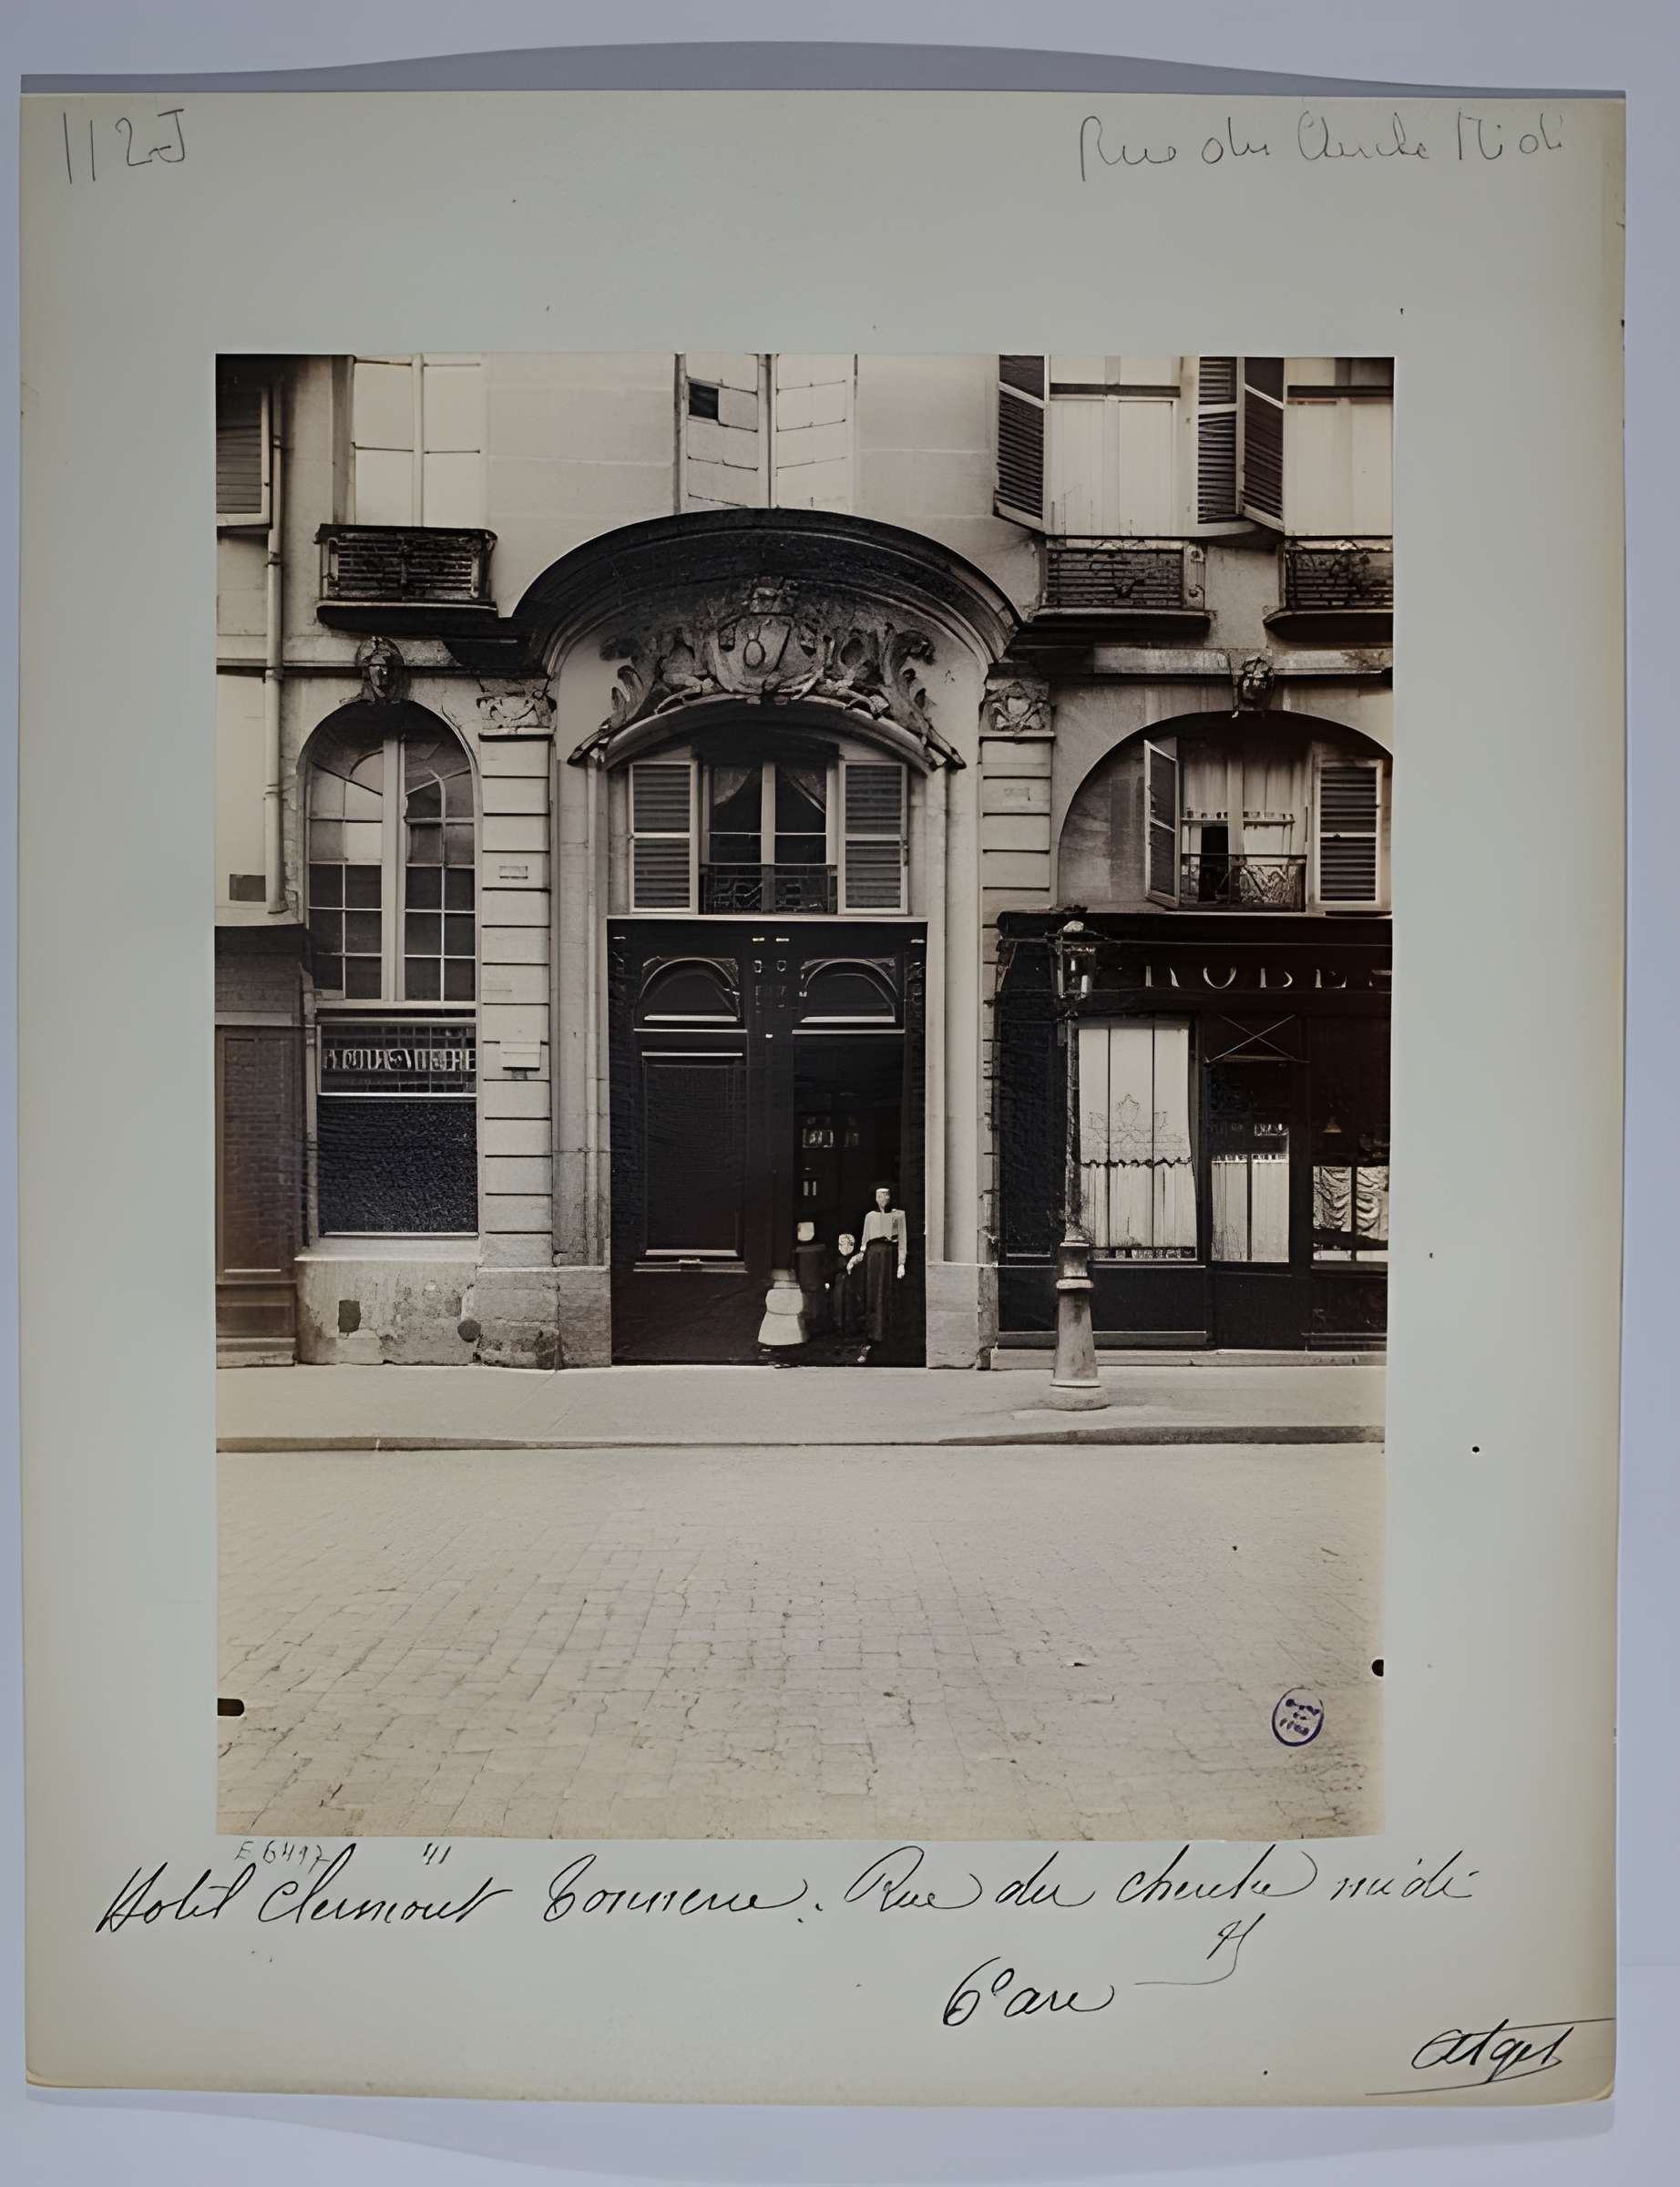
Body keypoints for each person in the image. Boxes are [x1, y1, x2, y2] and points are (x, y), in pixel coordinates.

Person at [853, 1183, 908, 1363]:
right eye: (879, 1195)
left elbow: (903, 1240)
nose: (883, 1199)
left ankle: (888, 1335)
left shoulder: (899, 1215)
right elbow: (864, 1238)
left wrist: (901, 1263)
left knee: (887, 1292)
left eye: (886, 1195)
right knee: (872, 1292)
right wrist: (859, 1255)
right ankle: (872, 1335)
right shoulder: (870, 1216)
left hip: (889, 1254)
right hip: (873, 1255)